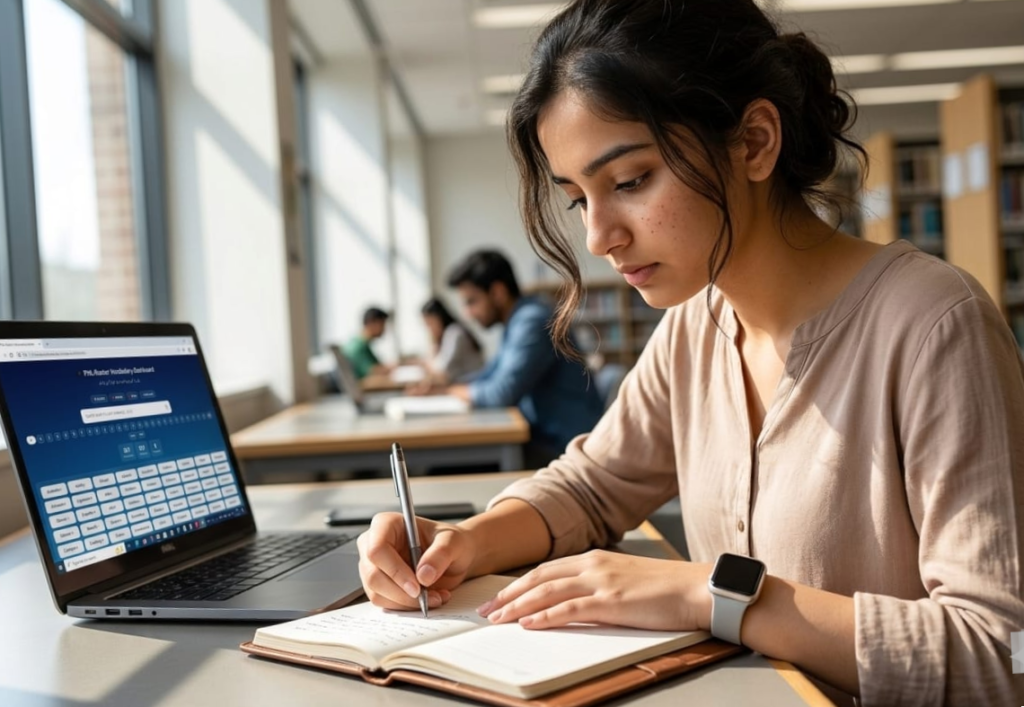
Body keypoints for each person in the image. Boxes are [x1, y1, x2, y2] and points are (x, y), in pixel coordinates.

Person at [356, 1, 1024, 705]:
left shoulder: (931, 323)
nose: (600, 236)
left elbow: (1006, 650)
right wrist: (465, 542)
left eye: (631, 180)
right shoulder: (695, 321)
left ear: (755, 142)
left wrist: (715, 593)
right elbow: (592, 484)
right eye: (579, 198)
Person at [436, 249, 604, 462]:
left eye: (471, 301)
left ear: (497, 292)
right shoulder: (517, 321)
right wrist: (445, 388)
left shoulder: (532, 320)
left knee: (452, 462)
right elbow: (490, 374)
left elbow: (502, 392)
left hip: (563, 447)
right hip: (545, 437)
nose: (467, 314)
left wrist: (452, 391)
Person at [420, 296, 485, 383]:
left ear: (439, 318)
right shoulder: (448, 334)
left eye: (430, 323)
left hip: (474, 385)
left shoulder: (455, 333)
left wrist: (433, 344)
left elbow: (440, 371)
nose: (429, 329)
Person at [342, 306, 391, 379]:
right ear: (372, 323)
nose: (384, 329)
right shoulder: (358, 347)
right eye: (382, 324)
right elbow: (373, 372)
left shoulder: (360, 343)